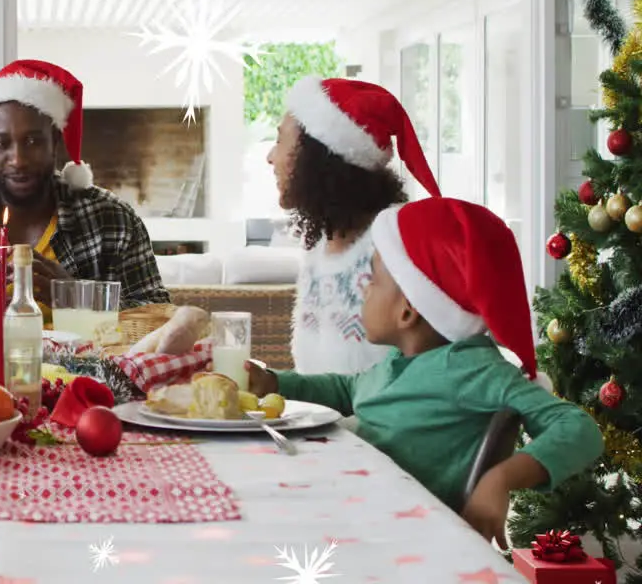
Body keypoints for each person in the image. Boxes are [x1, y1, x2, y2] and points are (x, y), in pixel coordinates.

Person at [245, 197, 603, 545]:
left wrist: (501, 479)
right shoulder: (402, 361)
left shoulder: (470, 369)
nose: (364, 289)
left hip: (391, 537)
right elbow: (349, 390)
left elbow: (579, 428)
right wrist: (275, 381)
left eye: (373, 279)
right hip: (353, 508)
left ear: (408, 311)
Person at [0, 60, 170, 324]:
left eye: (32, 141)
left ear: (56, 141)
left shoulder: (113, 220)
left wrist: (77, 296)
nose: (18, 160)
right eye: (2, 143)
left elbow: (159, 319)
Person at [267, 76, 440, 374]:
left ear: (316, 158)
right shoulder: (320, 247)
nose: (271, 157)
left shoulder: (397, 243)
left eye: (281, 140)